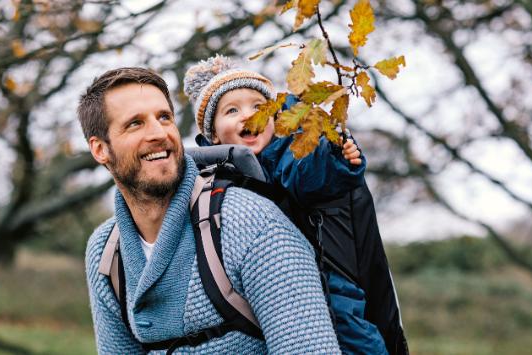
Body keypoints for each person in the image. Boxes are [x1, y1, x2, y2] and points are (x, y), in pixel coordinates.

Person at [78, 67, 342, 354]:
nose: (158, 133)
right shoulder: (105, 253)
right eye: (135, 123)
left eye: (164, 117)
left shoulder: (252, 224)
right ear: (100, 149)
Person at [183, 55, 393, 354]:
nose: (249, 115)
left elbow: (311, 174)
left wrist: (335, 152)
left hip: (320, 279)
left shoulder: (287, 155)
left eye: (260, 107)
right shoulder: (207, 181)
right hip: (254, 285)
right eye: (232, 110)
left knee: (348, 328)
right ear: (212, 134)